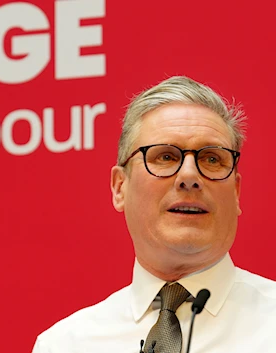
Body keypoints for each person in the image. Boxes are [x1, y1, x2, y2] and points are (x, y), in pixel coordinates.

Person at [31, 76, 276, 353]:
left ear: (236, 192)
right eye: (166, 157)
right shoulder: (65, 344)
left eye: (212, 159)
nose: (189, 176)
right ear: (120, 187)